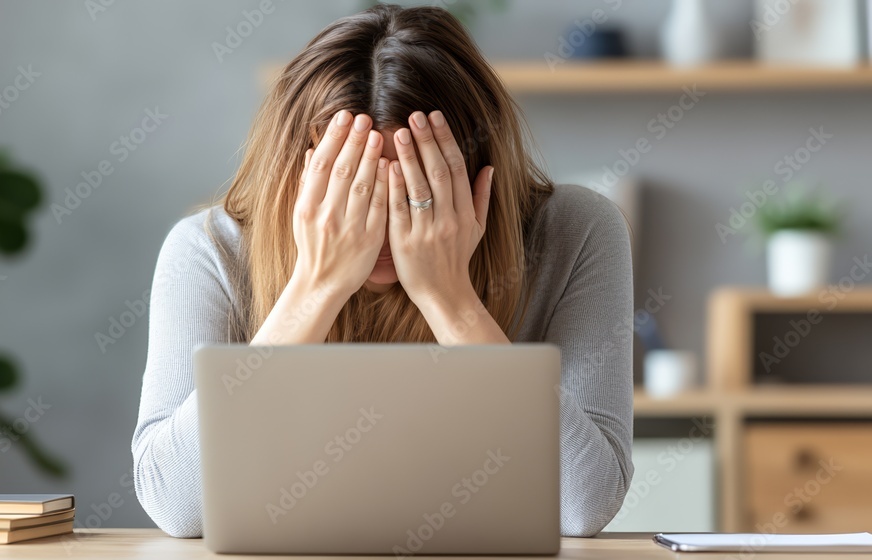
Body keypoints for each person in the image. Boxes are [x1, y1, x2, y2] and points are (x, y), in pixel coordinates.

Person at [132, 3, 633, 538]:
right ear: (298, 178)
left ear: (477, 174)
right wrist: (315, 288)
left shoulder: (577, 231)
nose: (383, 227)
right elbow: (176, 504)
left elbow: (584, 503)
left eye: (420, 191)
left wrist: (449, 299)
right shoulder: (208, 250)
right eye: (355, 190)